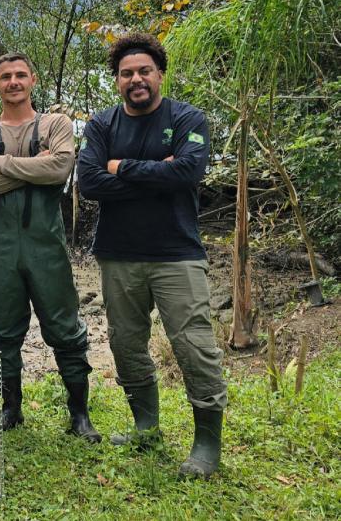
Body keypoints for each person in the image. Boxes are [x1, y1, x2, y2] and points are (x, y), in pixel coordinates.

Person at [77, 33, 227, 478]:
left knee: (194, 346)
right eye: (127, 73)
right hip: (118, 254)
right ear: (117, 80)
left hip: (176, 254)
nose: (136, 79)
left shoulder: (186, 117)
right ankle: (146, 426)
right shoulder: (102, 126)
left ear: (160, 74)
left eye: (144, 71)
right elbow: (88, 183)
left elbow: (188, 172)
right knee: (126, 344)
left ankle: (207, 445)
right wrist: (157, 172)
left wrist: (121, 168)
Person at [0, 53, 99, 439]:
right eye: (5, 76)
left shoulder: (55, 124)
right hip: (0, 248)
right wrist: (31, 170)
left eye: (20, 75)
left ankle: (79, 414)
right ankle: (11, 408)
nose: (13, 82)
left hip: (46, 247)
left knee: (65, 328)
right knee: (3, 330)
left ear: (33, 80)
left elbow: (59, 169)